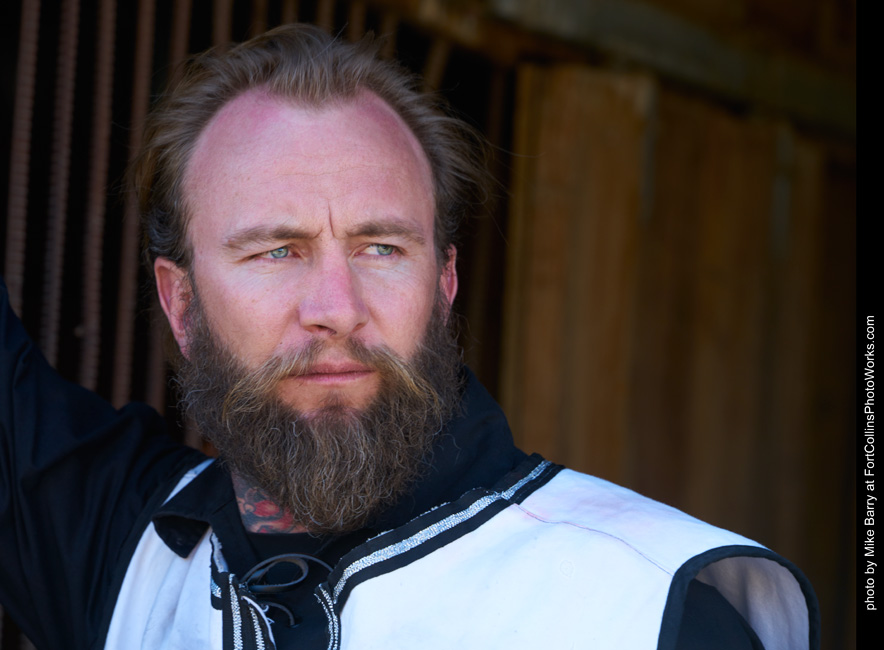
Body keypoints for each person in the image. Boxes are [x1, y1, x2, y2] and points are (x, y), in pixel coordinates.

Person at [0, 24, 818, 650]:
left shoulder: (641, 609)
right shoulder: (124, 552)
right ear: (180, 303)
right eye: (276, 251)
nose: (337, 307)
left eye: (381, 248)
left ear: (445, 284)